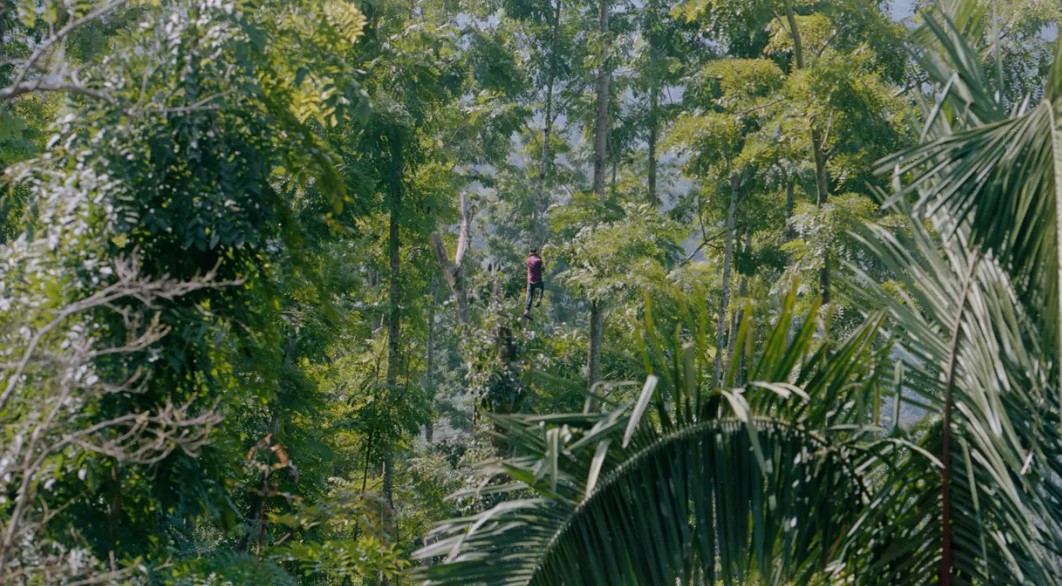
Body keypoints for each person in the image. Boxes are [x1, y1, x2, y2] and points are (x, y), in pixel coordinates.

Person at [523, 248, 544, 318]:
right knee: (541, 287)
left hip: (530, 281)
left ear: (530, 252)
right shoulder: (538, 260)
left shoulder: (528, 260)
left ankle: (526, 311)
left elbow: (528, 263)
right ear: (536, 252)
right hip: (538, 280)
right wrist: (539, 257)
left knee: (530, 296)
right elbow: (541, 265)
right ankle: (539, 299)